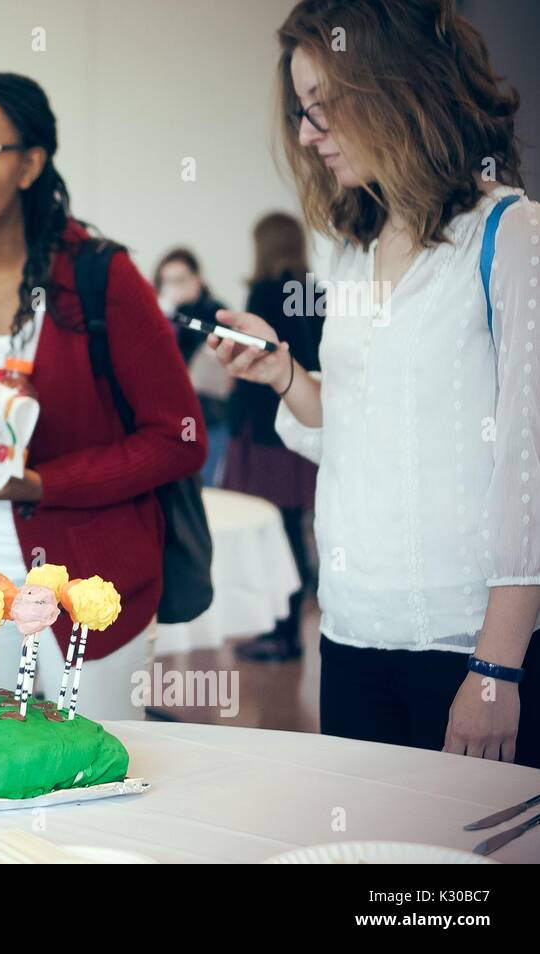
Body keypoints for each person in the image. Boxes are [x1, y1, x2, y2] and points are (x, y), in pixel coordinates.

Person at [211, 0, 539, 766]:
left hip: (465, 642)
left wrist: (496, 668)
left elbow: (528, 471)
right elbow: (353, 426)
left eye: (324, 109)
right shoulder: (352, 249)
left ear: (403, 90)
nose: (305, 135)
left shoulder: (509, 236)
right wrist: (285, 372)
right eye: (300, 112)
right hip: (350, 630)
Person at [0, 69, 206, 721]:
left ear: (30, 162)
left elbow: (179, 440)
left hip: (89, 595)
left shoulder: (100, 277)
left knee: (89, 782)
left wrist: (44, 483)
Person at [225, 212, 322, 662]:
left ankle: (281, 633)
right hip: (301, 422)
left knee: (274, 530)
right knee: (293, 529)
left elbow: (249, 369)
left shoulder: (263, 293)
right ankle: (289, 633)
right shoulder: (313, 292)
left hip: (265, 432)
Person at [155, 248, 232, 486]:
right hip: (170, 421)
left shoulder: (216, 313)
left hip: (209, 417)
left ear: (196, 279)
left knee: (206, 488)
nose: (172, 287)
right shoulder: (161, 316)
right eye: (165, 281)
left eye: (179, 280)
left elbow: (212, 374)